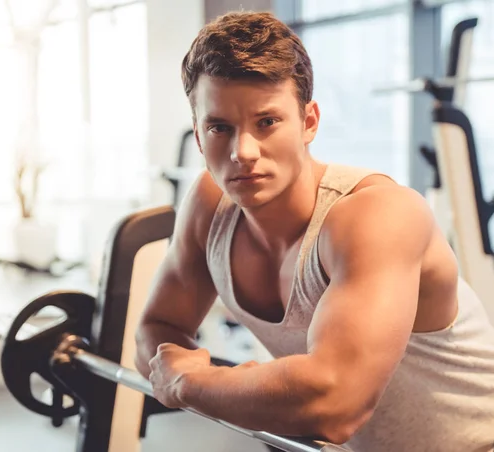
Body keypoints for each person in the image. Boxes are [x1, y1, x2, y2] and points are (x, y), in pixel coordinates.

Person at [134, 11, 494, 452]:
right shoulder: (210, 206)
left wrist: (193, 384)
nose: (242, 152)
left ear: (309, 122)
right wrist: (187, 374)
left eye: (266, 122)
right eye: (219, 128)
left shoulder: (377, 215)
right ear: (198, 133)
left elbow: (335, 404)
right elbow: (158, 329)